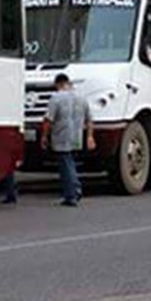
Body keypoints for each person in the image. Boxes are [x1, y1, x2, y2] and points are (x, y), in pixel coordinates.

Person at [41, 73, 94, 207]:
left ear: (58, 84)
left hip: (61, 135)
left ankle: (73, 193)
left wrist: (44, 136)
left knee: (66, 165)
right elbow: (90, 120)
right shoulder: (82, 99)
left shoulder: (55, 98)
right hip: (76, 135)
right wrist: (89, 137)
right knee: (70, 162)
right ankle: (74, 190)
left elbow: (49, 120)